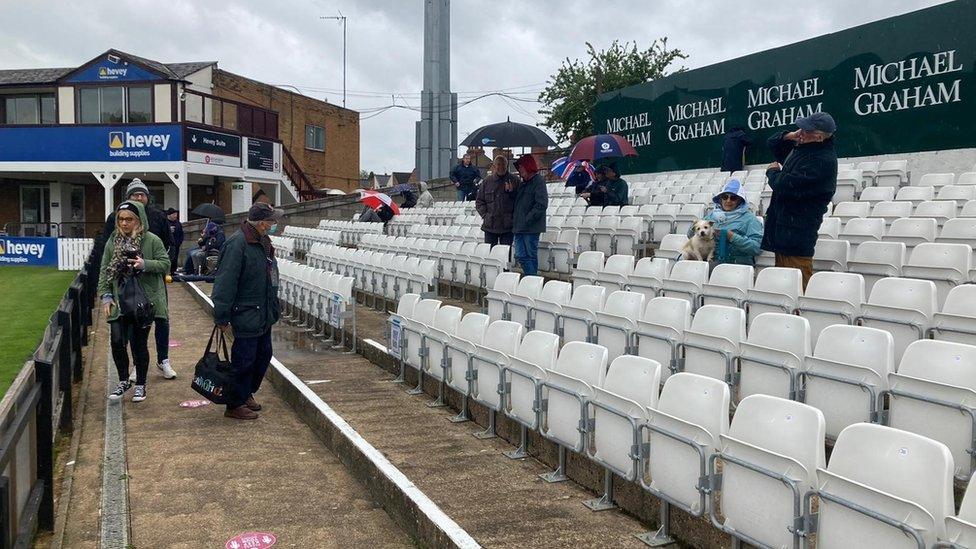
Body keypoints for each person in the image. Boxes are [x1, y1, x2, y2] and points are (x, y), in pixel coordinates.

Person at [98, 179, 177, 380]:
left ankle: (164, 359)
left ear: (147, 197)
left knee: (162, 319)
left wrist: (153, 266)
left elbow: (168, 247)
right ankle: (137, 366)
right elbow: (107, 252)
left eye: (142, 194)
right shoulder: (114, 219)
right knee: (133, 326)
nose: (139, 197)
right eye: (135, 194)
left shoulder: (158, 218)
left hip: (152, 283)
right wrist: (106, 292)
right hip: (126, 286)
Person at [212, 202, 283, 420]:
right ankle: (234, 403)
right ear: (262, 223)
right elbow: (225, 283)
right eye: (272, 221)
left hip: (263, 312)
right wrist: (222, 316)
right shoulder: (238, 244)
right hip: (246, 312)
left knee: (263, 355)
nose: (275, 224)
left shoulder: (263, 241)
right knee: (244, 360)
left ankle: (246, 392)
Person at [762, 112, 838, 288]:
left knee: (798, 290)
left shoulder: (822, 160)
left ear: (818, 137)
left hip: (797, 236)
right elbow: (772, 142)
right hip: (783, 232)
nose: (801, 132)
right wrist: (790, 135)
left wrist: (772, 171)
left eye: (806, 130)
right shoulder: (803, 149)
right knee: (781, 289)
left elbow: (785, 185)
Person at [689, 179, 763, 265]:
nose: (728, 201)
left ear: (740, 201)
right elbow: (690, 236)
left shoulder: (750, 219)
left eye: (733, 198)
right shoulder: (712, 215)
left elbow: (757, 248)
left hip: (736, 264)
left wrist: (731, 236)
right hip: (709, 260)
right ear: (720, 199)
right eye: (725, 197)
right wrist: (693, 227)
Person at [509, 154, 548, 276]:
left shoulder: (538, 181)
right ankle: (531, 279)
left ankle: (532, 281)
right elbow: (518, 203)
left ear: (528, 166)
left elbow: (541, 204)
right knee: (520, 255)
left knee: (530, 255)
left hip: (531, 227)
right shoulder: (522, 183)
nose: (519, 171)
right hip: (519, 226)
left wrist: (528, 219)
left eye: (521, 167)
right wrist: (510, 192)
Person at [476, 155, 517, 246]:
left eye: (503, 164)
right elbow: (479, 201)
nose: (501, 167)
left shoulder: (515, 180)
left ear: (507, 165)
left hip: (508, 226)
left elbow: (519, 201)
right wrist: (485, 215)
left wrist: (511, 192)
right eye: (498, 164)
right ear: (494, 166)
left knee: (506, 254)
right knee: (490, 255)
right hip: (490, 226)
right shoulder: (487, 181)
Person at [165, 208, 184, 275]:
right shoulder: (165, 222)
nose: (175, 216)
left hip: (176, 244)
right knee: (168, 258)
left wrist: (180, 241)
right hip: (168, 244)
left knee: (175, 258)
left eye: (176, 214)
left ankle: (173, 271)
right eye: (174, 214)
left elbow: (181, 233)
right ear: (169, 215)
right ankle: (167, 271)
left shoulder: (178, 223)